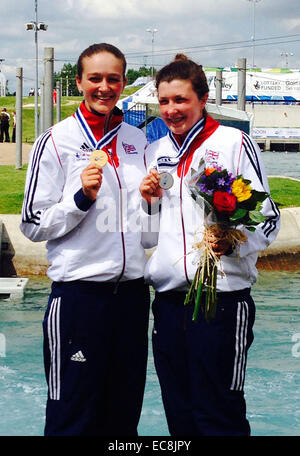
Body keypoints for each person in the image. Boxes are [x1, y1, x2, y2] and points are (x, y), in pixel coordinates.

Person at [140, 54, 280, 436]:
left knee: (219, 417)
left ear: (202, 99)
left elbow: (269, 219)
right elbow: (148, 236)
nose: (171, 110)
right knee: (180, 418)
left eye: (181, 100)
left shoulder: (234, 142)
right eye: (164, 101)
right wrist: (147, 203)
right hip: (168, 303)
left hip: (221, 300)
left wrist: (232, 242)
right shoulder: (155, 153)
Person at [20, 43, 150, 436]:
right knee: (71, 420)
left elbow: (145, 235)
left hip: (131, 298)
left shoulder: (136, 141)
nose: (104, 87)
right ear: (78, 82)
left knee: (124, 419)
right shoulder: (55, 141)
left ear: (124, 83)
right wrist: (80, 200)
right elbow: (32, 223)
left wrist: (153, 205)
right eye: (95, 78)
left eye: (113, 79)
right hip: (79, 297)